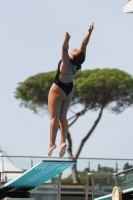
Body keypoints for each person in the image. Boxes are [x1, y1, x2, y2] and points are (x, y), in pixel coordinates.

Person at [48, 22, 94, 158]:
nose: (73, 49)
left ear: (72, 56)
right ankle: (62, 142)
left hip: (58, 88)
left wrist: (66, 40)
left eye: (74, 51)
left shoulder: (67, 62)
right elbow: (84, 45)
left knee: (54, 117)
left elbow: (64, 50)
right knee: (63, 117)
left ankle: (51, 143)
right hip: (69, 90)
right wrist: (89, 32)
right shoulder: (78, 62)